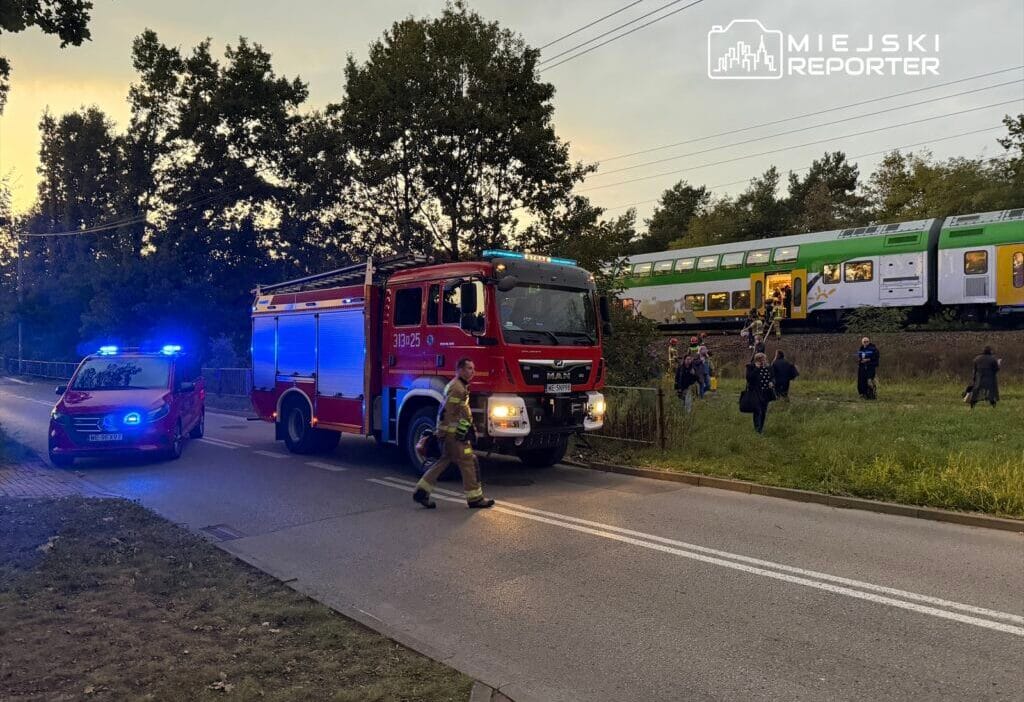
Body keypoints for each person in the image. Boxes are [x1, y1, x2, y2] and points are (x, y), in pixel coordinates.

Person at [413, 358, 495, 509]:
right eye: (469, 368)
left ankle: (421, 491)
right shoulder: (457, 388)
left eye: (473, 368)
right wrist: (443, 433)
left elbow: (457, 412)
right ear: (460, 370)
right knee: (468, 462)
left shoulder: (458, 386)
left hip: (454, 434)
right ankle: (475, 499)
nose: (473, 372)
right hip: (454, 436)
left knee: (443, 461)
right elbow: (447, 412)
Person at [745, 352, 775, 434]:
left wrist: (772, 382)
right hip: (755, 392)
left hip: (766, 392)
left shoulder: (769, 368)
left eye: (764, 360)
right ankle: (757, 429)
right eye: (761, 360)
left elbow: (772, 377)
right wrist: (756, 369)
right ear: (756, 360)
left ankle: (761, 428)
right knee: (757, 410)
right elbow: (749, 378)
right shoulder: (751, 367)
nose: (763, 361)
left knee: (763, 411)